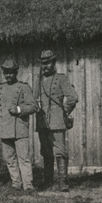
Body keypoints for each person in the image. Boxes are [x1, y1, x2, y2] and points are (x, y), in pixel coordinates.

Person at [35, 50, 79, 191]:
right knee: (46, 152)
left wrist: (64, 112)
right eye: (43, 63)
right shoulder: (39, 80)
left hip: (57, 121)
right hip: (42, 122)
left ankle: (63, 183)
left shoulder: (61, 78)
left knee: (60, 151)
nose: (45, 66)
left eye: (48, 63)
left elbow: (72, 97)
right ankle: (47, 181)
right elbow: (35, 100)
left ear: (54, 63)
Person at [0, 59, 39, 192]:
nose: (8, 76)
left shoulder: (24, 87)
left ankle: (28, 185)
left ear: (16, 73)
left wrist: (19, 110)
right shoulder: (0, 88)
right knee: (9, 158)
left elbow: (34, 106)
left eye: (11, 73)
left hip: (19, 128)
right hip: (5, 128)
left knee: (23, 158)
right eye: (6, 73)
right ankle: (16, 183)